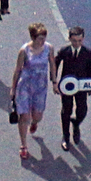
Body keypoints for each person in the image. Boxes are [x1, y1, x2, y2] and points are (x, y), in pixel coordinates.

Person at [10, 23, 54, 161]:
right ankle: (23, 145)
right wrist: (13, 88)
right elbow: (18, 70)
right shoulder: (24, 51)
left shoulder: (49, 48)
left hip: (40, 87)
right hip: (25, 86)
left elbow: (52, 64)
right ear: (33, 38)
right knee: (24, 116)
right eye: (40, 38)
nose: (42, 41)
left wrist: (55, 82)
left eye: (44, 38)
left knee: (38, 115)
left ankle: (35, 123)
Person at [53, 27, 91, 151]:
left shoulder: (88, 53)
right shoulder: (64, 51)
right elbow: (55, 64)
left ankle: (76, 124)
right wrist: (55, 82)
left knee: (82, 110)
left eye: (79, 40)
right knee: (66, 111)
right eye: (74, 40)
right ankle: (66, 137)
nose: (77, 43)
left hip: (81, 86)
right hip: (66, 87)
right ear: (70, 39)